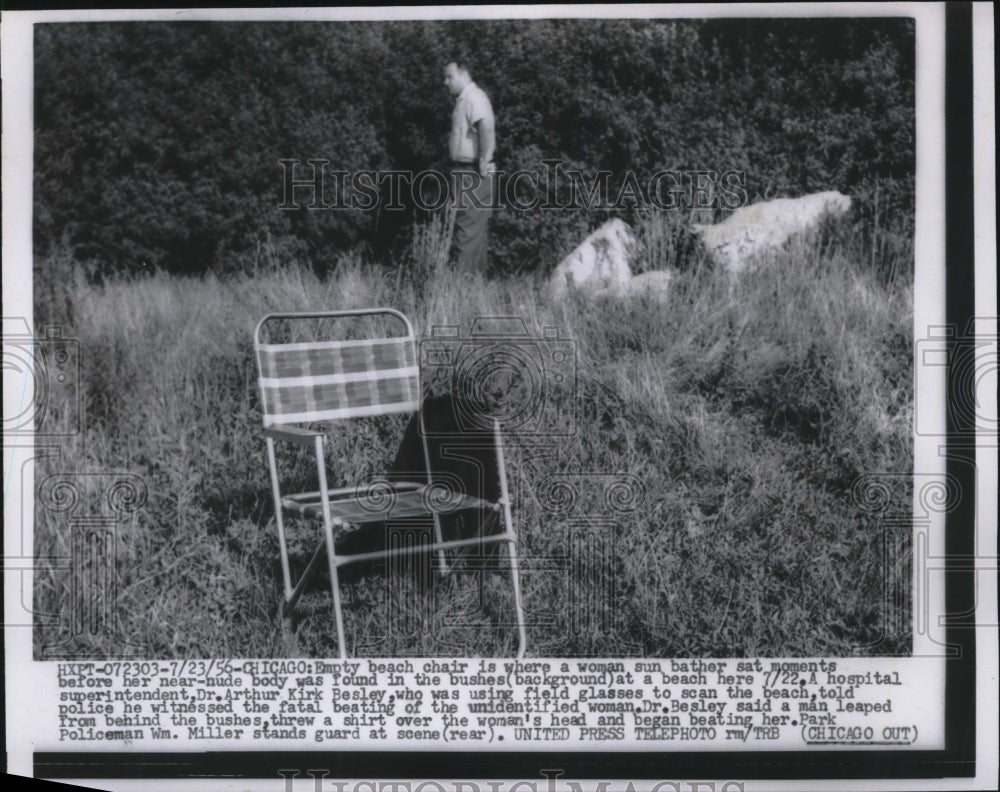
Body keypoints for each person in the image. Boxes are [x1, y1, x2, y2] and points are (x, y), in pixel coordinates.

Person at [443, 59, 495, 273]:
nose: (445, 82)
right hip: (463, 171)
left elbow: (485, 126)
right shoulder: (463, 100)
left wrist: (484, 159)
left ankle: (461, 286)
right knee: (470, 230)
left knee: (467, 230)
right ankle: (474, 286)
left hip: (473, 172)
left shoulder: (474, 97)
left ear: (464, 75)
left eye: (449, 77)